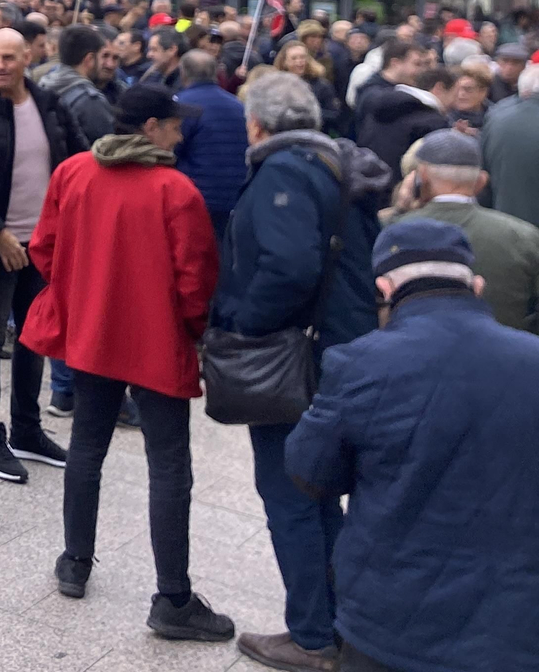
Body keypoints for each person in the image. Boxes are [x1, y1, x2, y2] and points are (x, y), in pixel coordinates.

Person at [19, 83, 233, 640]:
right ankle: (173, 597)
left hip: (92, 334)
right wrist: (193, 333)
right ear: (150, 129)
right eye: (174, 123)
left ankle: (75, 561)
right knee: (168, 465)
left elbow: (44, 247)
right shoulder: (175, 189)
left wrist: (81, 290)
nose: (182, 131)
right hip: (155, 341)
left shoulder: (73, 173)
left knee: (87, 446)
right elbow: (196, 282)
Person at [284, 221, 539, 672]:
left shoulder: (360, 361)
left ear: (384, 288)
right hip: (516, 627)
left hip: (391, 623)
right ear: (476, 286)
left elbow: (309, 472)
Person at [216, 72, 386, 672]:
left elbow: (289, 266)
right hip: (343, 349)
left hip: (298, 360)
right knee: (319, 496)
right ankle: (343, 623)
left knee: (290, 494)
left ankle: (313, 636)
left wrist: (244, 324)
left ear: (257, 123)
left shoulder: (285, 171)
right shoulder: (336, 163)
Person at [0, 27, 85, 483]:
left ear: (29, 57)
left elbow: (78, 162)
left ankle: (28, 430)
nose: (1, 66)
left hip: (43, 248)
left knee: (34, 339)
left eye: (10, 57)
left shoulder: (49, 105)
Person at [385, 128, 539, 331]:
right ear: (481, 181)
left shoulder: (391, 232)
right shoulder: (524, 236)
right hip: (509, 356)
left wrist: (398, 211)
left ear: (420, 177)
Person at [175, 48, 249, 243]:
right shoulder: (237, 105)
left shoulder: (182, 106)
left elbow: (172, 149)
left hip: (196, 196)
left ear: (183, 73)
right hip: (235, 196)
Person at [353, 40, 445, 176]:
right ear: (395, 63)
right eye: (416, 64)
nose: (421, 71)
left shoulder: (406, 89)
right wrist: (428, 102)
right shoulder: (372, 93)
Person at [47, 25, 116, 147]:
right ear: (89, 59)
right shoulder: (90, 101)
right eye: (101, 57)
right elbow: (106, 151)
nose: (104, 64)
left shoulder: (45, 82)